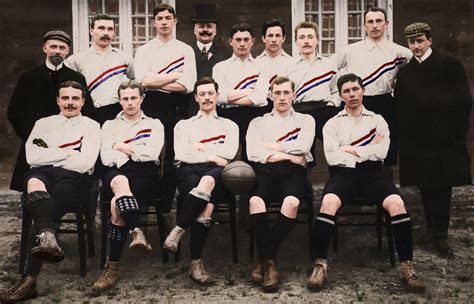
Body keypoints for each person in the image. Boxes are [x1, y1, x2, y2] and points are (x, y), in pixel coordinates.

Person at [307, 73, 425, 292]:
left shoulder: (377, 120)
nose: (352, 94)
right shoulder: (332, 124)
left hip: (374, 176)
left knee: (397, 204)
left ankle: (407, 266)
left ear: (362, 91)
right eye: (346, 91)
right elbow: (332, 158)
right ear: (341, 96)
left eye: (355, 89)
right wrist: (366, 151)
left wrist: (349, 149)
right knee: (328, 204)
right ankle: (320, 264)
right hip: (343, 176)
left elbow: (381, 152)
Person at [0, 81, 100, 302]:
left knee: (43, 214)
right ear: (58, 100)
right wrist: (69, 153)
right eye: (65, 98)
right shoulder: (43, 124)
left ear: (83, 101)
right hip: (43, 174)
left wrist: (53, 153)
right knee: (33, 182)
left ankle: (28, 281)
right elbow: (32, 158)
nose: (70, 103)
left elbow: (85, 163)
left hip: (74, 179)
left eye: (75, 99)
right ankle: (48, 236)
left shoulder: (92, 126)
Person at [395, 23, 472, 258]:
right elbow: (401, 106)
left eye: (420, 41)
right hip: (417, 141)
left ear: (429, 40)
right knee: (425, 185)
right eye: (411, 42)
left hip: (444, 139)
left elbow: (463, 101)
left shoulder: (450, 65)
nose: (416, 46)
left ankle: (441, 236)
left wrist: (454, 134)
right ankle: (431, 231)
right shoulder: (406, 72)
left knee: (442, 186)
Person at [163, 77, 238, 284]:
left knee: (208, 182)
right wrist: (213, 155)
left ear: (217, 96)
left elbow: (230, 153)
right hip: (188, 170)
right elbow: (182, 154)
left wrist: (199, 148)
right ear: (196, 98)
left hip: (219, 174)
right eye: (202, 94)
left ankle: (179, 229)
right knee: (206, 207)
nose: (207, 98)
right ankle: (195, 264)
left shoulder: (229, 125)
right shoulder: (183, 125)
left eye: (210, 93)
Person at [91, 80, 164, 292]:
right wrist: (135, 151)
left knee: (116, 205)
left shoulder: (154, 124)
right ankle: (136, 230)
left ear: (142, 98)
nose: (130, 103)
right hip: (116, 172)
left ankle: (112, 267)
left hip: (145, 175)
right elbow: (105, 157)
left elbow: (151, 154)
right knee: (119, 182)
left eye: (134, 98)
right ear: (120, 100)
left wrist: (121, 147)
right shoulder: (109, 125)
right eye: (125, 99)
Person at [246, 76, 315, 292]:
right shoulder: (258, 122)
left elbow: (303, 146)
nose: (282, 97)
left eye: (286, 93)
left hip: (294, 173)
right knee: (256, 201)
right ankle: (271, 264)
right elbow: (253, 153)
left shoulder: (306, 120)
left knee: (292, 203)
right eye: (277, 93)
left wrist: (271, 147)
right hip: (265, 172)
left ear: (294, 95)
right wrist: (289, 154)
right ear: (270, 96)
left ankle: (266, 259)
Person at [7, 30, 94, 193]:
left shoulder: (77, 78)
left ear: (68, 51)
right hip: (37, 143)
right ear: (44, 48)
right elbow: (14, 112)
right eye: (53, 46)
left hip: (69, 144)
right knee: (33, 185)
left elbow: (88, 112)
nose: (57, 50)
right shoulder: (28, 77)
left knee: (65, 186)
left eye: (62, 47)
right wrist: (33, 137)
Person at [134, 3, 197, 218]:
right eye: (159, 18)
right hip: (151, 105)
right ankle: (143, 202)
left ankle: (164, 207)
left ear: (175, 21)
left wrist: (156, 80)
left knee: (171, 158)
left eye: (167, 18)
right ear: (154, 22)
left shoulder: (185, 50)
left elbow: (188, 85)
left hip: (177, 107)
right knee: (148, 154)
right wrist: (174, 76)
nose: (163, 22)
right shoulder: (144, 50)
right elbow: (143, 80)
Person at [333, 7, 412, 168]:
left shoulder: (400, 53)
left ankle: (385, 184)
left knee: (386, 142)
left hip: (385, 102)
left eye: (378, 21)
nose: (374, 25)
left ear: (386, 23)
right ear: (364, 25)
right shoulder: (350, 51)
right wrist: (335, 97)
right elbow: (328, 71)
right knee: (355, 141)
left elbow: (414, 74)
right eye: (370, 22)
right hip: (358, 102)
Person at [65, 14, 133, 125]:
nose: (106, 33)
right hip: (88, 113)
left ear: (114, 33)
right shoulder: (76, 60)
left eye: (110, 29)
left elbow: (135, 83)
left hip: (117, 113)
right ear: (91, 31)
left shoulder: (125, 58)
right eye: (101, 28)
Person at [287, 21, 339, 141]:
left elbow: (336, 91)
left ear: (317, 40)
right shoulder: (288, 66)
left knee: (333, 147)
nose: (306, 41)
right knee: (304, 153)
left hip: (324, 111)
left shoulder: (329, 64)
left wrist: (331, 105)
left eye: (310, 37)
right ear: (296, 42)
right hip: (299, 112)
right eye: (302, 37)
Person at [188, 3, 230, 115]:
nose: (205, 30)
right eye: (201, 26)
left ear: (215, 31)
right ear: (194, 30)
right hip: (190, 106)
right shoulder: (186, 51)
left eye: (209, 26)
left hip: (217, 108)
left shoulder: (225, 53)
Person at [255, 19, 293, 96]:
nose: (274, 40)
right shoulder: (255, 63)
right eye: (270, 35)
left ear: (283, 38)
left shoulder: (292, 63)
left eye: (278, 36)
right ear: (263, 38)